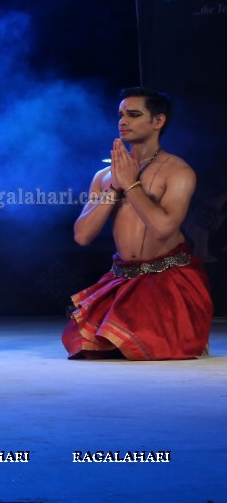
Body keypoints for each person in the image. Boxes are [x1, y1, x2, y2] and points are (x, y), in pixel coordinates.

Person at [64, 87, 212, 360]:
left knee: (144, 347)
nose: (123, 121)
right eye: (121, 115)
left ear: (158, 121)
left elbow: (163, 227)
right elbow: (82, 236)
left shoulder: (178, 171)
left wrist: (131, 185)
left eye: (133, 115)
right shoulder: (104, 176)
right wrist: (115, 188)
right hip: (122, 278)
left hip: (168, 280)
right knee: (85, 346)